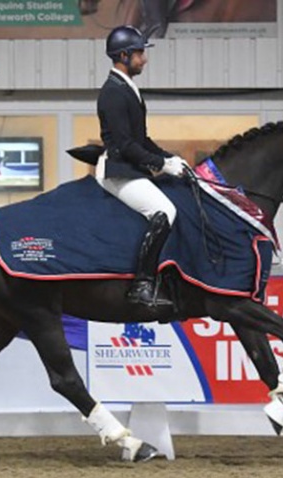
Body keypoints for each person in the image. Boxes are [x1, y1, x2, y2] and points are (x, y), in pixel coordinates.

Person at [96, 25, 188, 307]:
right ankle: (142, 284)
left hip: (130, 165)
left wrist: (170, 158)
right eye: (139, 53)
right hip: (117, 171)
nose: (144, 59)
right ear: (123, 55)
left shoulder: (127, 88)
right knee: (164, 210)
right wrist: (161, 164)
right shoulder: (113, 92)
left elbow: (141, 139)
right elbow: (125, 145)